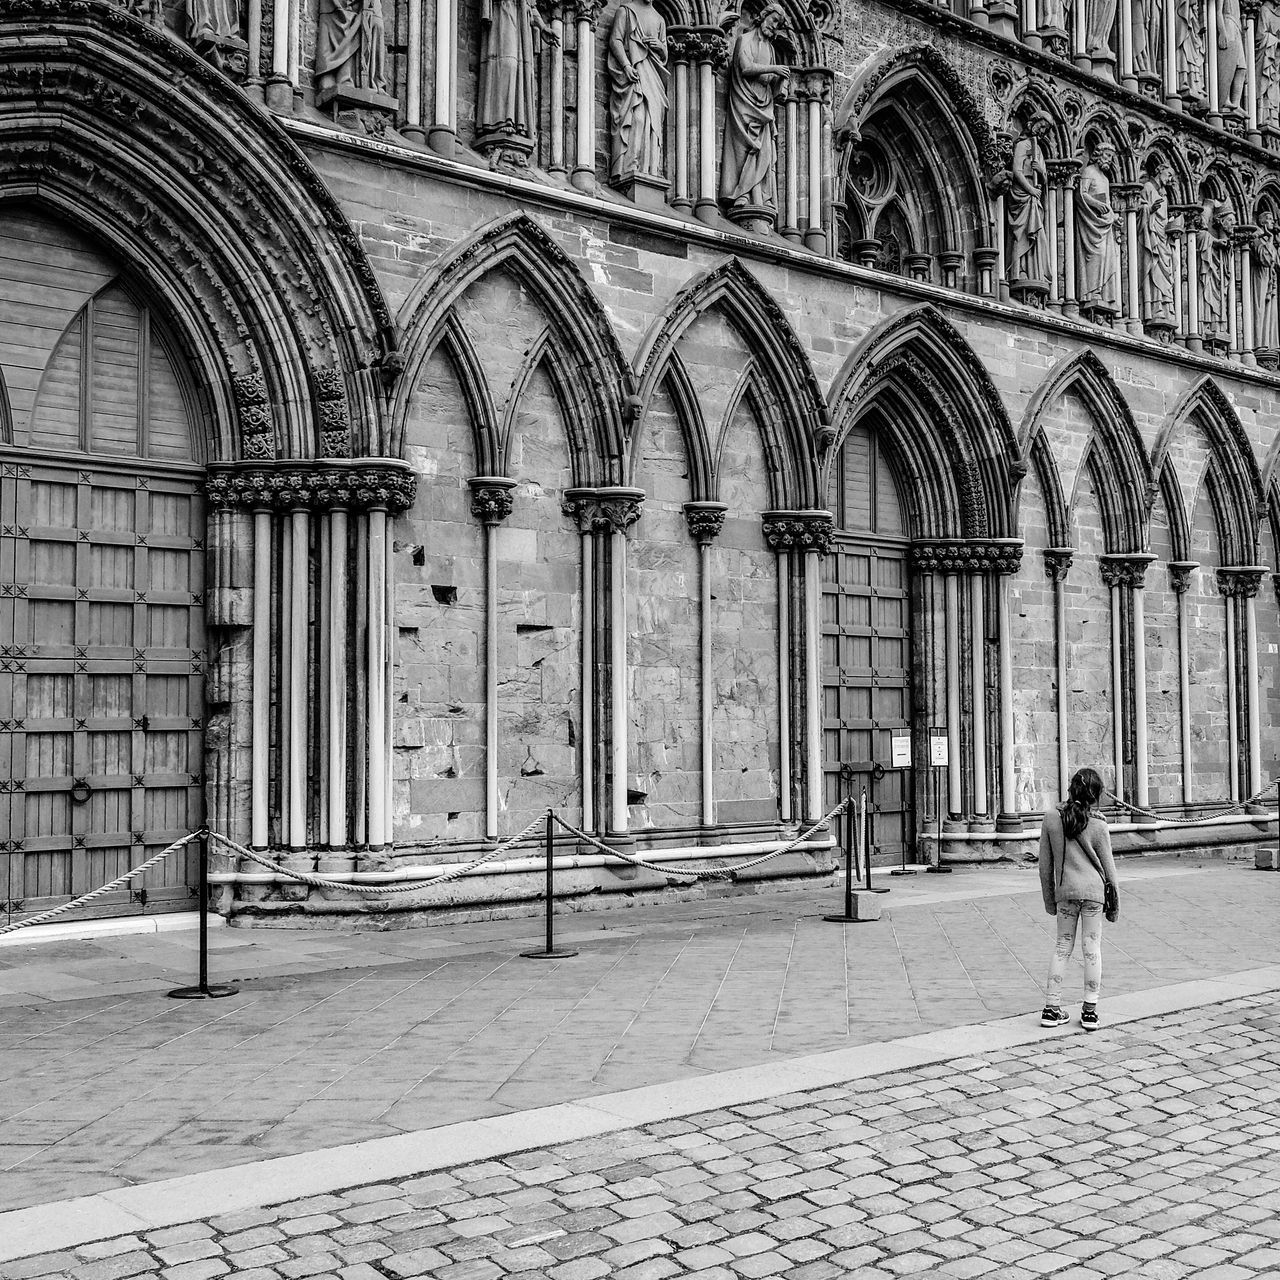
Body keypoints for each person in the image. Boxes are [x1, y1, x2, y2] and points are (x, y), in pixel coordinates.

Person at [1038, 767, 1119, 1031]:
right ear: (1096, 794)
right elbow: (1109, 868)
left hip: (1066, 893)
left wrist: (1050, 900)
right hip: (1094, 894)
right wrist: (1114, 906)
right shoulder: (1099, 824)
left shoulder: (1051, 818)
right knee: (1091, 948)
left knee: (1062, 947)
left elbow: (1044, 866)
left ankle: (1051, 1009)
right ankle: (1090, 1011)